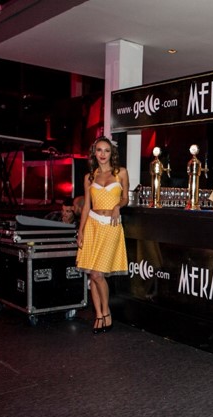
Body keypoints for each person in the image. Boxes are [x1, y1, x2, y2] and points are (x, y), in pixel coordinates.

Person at [76, 136, 129, 334]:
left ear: (111, 153)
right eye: (99, 150)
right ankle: (99, 314)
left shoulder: (120, 172)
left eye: (106, 150)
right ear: (94, 153)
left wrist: (117, 206)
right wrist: (80, 231)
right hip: (93, 225)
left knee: (98, 274)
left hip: (111, 226)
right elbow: (86, 206)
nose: (103, 154)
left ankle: (106, 312)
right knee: (93, 274)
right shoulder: (89, 177)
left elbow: (126, 198)